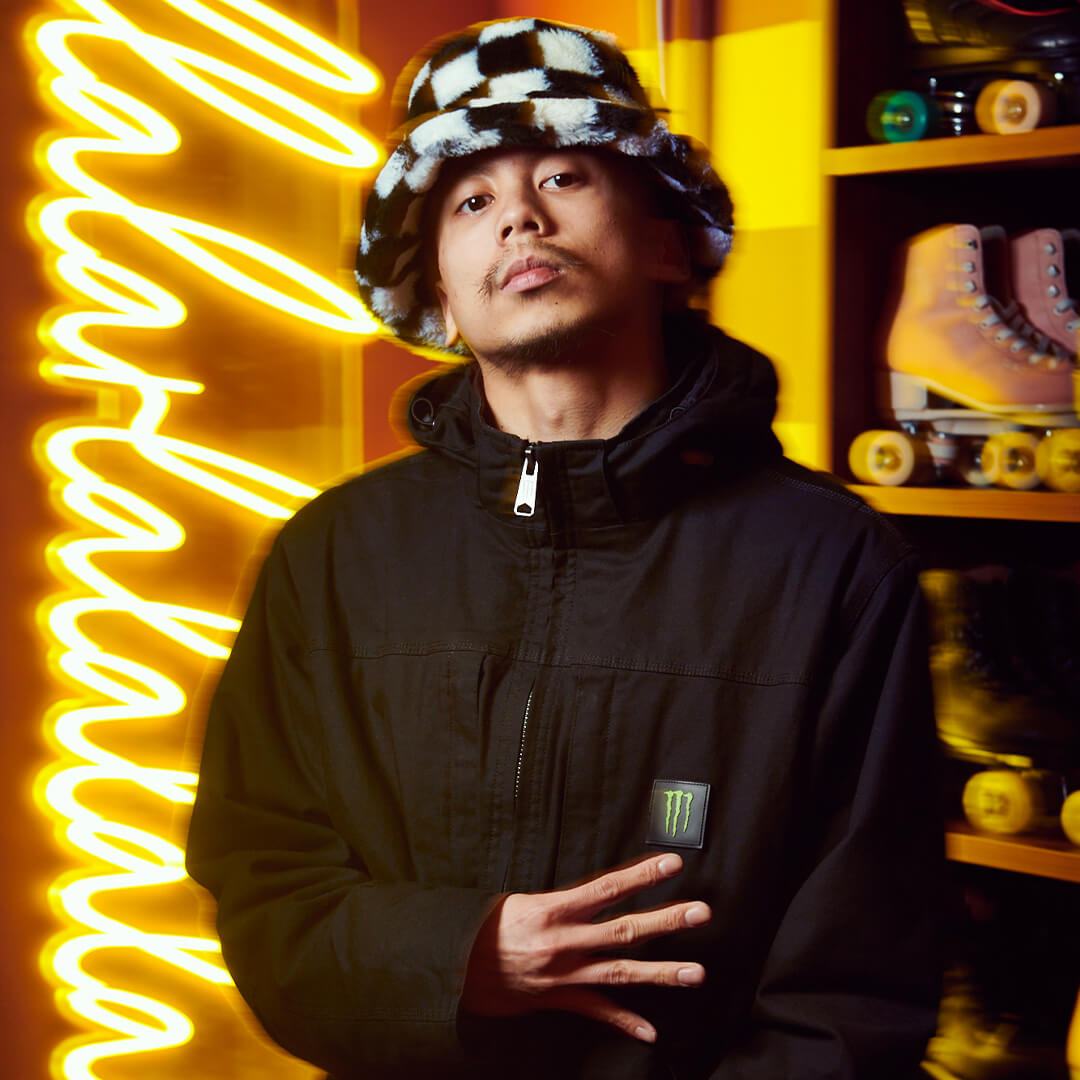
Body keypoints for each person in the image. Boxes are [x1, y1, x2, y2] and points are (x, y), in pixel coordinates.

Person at [186, 17, 944, 1079]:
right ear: (439, 295)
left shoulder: (833, 564)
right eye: (471, 201)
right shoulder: (332, 558)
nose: (520, 218)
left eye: (564, 177)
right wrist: (460, 954)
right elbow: (264, 884)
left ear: (668, 245)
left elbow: (856, 986)